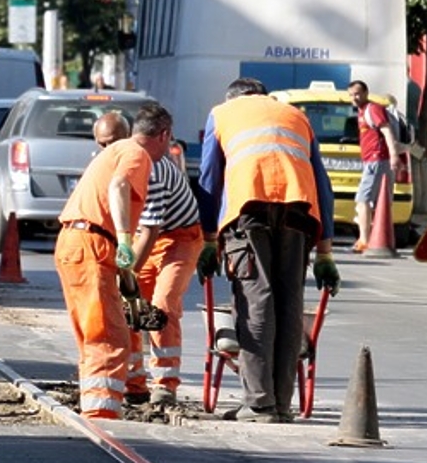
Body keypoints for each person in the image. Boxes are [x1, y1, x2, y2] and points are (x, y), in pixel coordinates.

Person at [197, 77, 340, 424]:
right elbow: (323, 185)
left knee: (256, 299)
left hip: (249, 210)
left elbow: (209, 181)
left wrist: (209, 241)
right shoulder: (295, 115)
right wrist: (324, 254)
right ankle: (281, 404)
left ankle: (259, 405)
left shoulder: (222, 113)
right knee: (288, 301)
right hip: (298, 212)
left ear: (233, 97)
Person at [56, 105, 173, 419]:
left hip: (76, 243)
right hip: (92, 244)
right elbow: (119, 187)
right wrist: (124, 238)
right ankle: (101, 415)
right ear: (164, 136)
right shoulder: (137, 154)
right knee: (109, 336)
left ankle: (95, 405)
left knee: (95, 332)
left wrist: (125, 272)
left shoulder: (116, 151)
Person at [91, 111, 203, 408]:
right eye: (102, 145)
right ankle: (134, 381)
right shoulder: (117, 164)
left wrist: (126, 276)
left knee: (162, 306)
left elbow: (150, 231)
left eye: (112, 143)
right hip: (143, 237)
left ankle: (165, 385)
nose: (108, 151)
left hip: (179, 238)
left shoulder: (151, 169)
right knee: (126, 305)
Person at [348, 80, 400, 253]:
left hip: (377, 160)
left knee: (362, 199)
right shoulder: (362, 112)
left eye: (357, 94)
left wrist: (393, 155)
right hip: (373, 160)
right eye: (351, 95)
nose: (354, 98)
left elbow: (386, 130)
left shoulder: (373, 109)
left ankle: (364, 240)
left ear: (365, 93)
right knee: (378, 202)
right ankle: (378, 239)